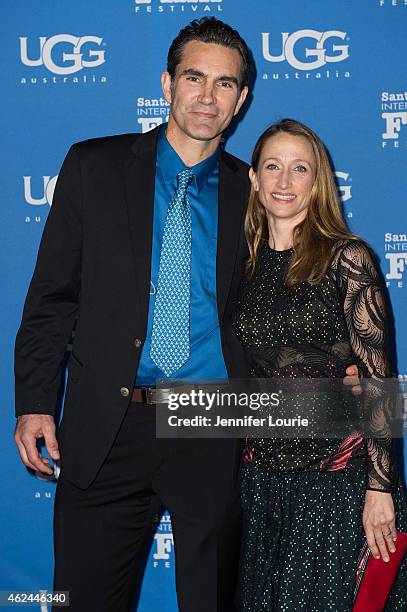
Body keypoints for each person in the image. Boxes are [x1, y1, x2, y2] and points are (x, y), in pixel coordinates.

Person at [13, 18, 360, 612]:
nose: (207, 96)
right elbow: (52, 297)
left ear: (241, 100)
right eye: (194, 77)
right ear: (167, 83)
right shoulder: (93, 167)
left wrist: (343, 367)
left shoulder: (253, 191)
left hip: (212, 425)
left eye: (224, 84)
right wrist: (35, 401)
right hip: (107, 424)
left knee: (212, 600)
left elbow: (301, 286)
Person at [233, 119, 407, 611]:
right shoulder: (238, 263)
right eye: (272, 166)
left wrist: (381, 488)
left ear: (319, 181)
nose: (284, 182)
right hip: (259, 484)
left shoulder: (347, 258)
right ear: (254, 178)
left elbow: (378, 382)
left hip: (336, 481)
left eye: (299, 169)